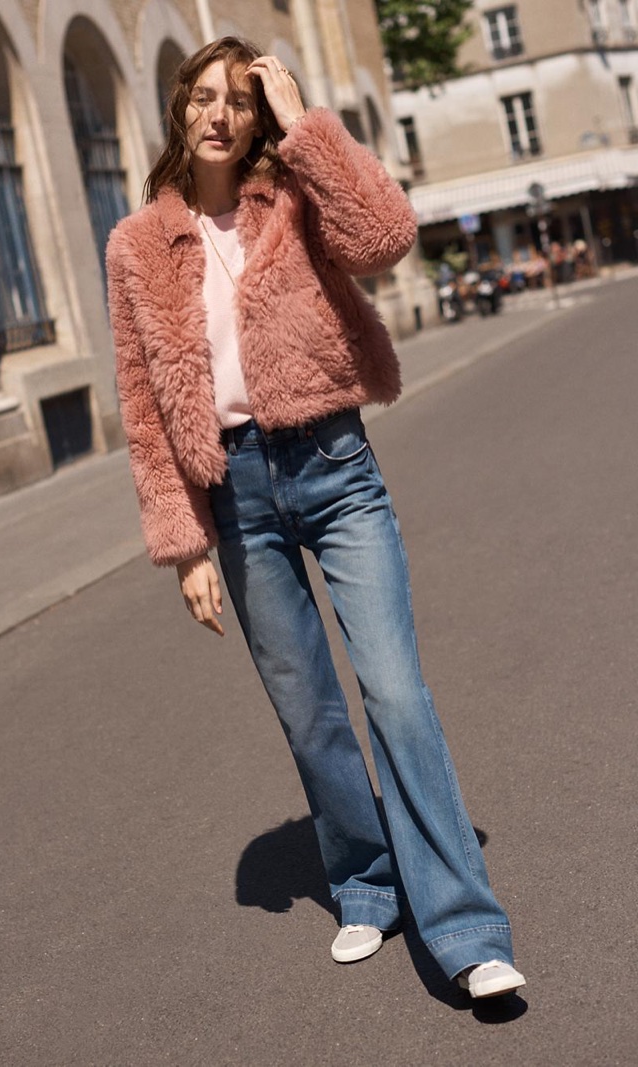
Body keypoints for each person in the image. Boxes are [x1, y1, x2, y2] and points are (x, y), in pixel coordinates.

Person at [106, 36, 526, 1000]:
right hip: (236, 493)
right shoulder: (137, 245)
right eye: (204, 97)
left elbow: (386, 235)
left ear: (258, 117)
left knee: (395, 694)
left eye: (240, 102)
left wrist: (306, 126)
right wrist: (184, 545)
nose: (220, 115)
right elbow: (141, 399)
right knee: (310, 716)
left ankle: (467, 928)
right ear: (180, 109)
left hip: (334, 467)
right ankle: (368, 884)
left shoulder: (291, 197)